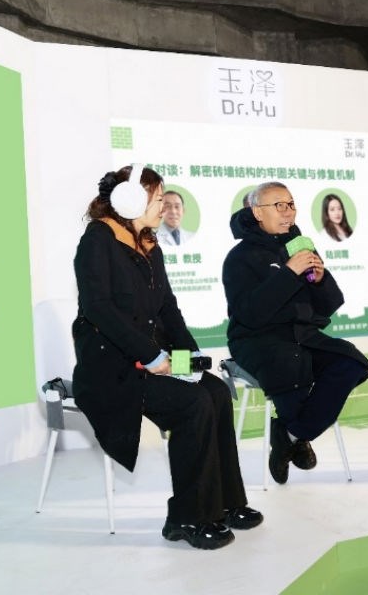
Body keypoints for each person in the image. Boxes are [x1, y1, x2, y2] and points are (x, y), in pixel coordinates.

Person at [72, 165, 262, 550]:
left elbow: (168, 308)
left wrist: (191, 355)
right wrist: (151, 355)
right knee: (193, 404)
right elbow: (99, 309)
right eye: (159, 198)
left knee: (215, 392)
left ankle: (225, 504)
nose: (165, 206)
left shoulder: (149, 243)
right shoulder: (97, 241)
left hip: (155, 357)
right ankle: (188, 518)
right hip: (114, 367)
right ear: (131, 199)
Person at [222, 181, 368, 485]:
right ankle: (297, 436)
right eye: (278, 205)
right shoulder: (239, 257)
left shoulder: (299, 247)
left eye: (291, 204)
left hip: (303, 336)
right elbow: (250, 314)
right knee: (288, 364)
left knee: (349, 362)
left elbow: (330, 305)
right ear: (257, 212)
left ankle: (290, 434)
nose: (287, 212)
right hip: (257, 340)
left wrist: (320, 280)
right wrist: (289, 273)